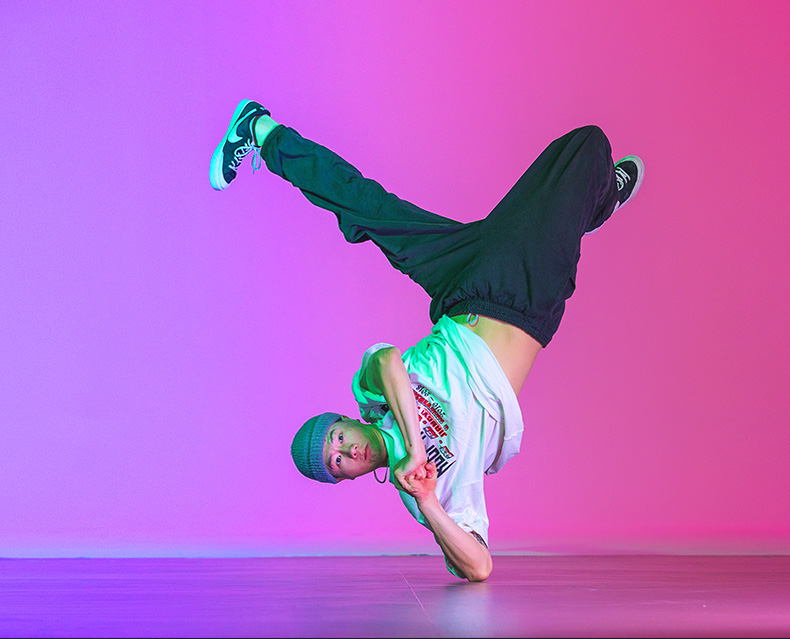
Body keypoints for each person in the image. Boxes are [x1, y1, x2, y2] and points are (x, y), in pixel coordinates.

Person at [210, 100, 645, 581]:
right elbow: (477, 566)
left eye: (338, 438)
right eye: (337, 464)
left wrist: (414, 447)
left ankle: (261, 130)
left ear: (344, 420)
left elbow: (389, 360)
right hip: (521, 298)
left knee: (369, 209)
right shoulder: (422, 491)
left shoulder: (373, 398)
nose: (347, 452)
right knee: (587, 147)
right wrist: (428, 503)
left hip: (458, 289)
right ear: (347, 477)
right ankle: (594, 201)